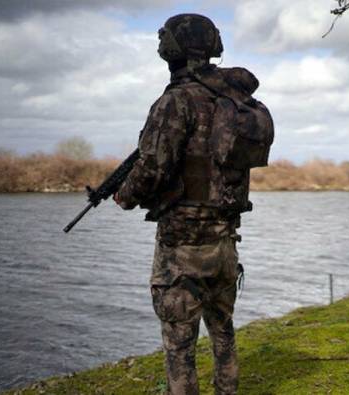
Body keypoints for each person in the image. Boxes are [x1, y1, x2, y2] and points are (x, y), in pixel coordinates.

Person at [113, 13, 273, 395]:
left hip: (182, 246)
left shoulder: (175, 101)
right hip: (225, 242)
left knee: (179, 344)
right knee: (223, 331)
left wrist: (124, 196)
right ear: (213, 46)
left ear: (172, 49)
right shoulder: (233, 100)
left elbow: (152, 166)